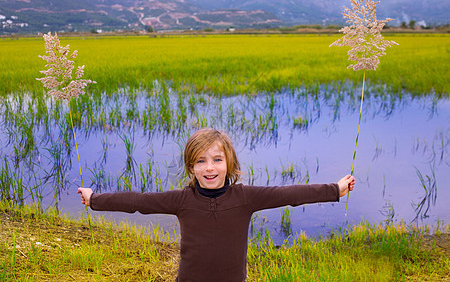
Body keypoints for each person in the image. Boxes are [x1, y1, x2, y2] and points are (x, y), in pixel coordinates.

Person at [78, 128, 355, 282]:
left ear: (229, 164)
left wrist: (335, 189)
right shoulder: (182, 200)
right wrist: (94, 199)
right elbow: (138, 202)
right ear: (191, 166)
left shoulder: (245, 198)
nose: (209, 168)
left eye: (217, 160)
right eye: (200, 161)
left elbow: (288, 194)